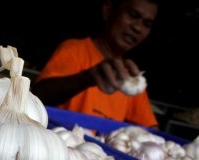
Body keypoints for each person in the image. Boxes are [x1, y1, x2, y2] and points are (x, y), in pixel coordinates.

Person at [33, 0, 159, 128]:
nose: (137, 28)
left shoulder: (131, 75)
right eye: (132, 15)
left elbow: (152, 129)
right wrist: (86, 78)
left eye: (147, 24)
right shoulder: (74, 50)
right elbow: (37, 97)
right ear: (108, 11)